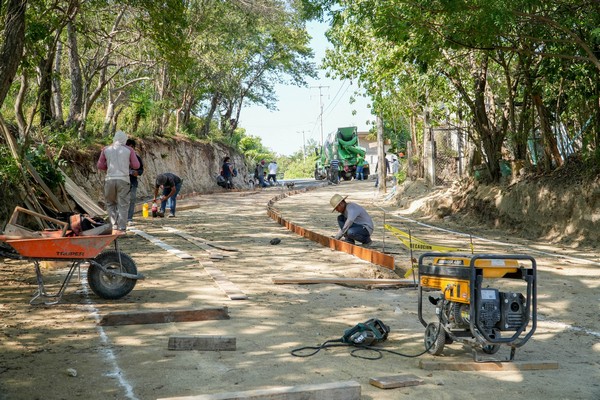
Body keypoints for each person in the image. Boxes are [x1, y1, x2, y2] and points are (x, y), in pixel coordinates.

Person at [97, 130, 140, 232]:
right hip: (123, 179)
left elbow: (100, 165)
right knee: (123, 204)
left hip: (109, 179)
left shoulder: (106, 149)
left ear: (114, 139)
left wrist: (109, 166)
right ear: (124, 139)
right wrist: (127, 163)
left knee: (110, 203)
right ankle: (122, 228)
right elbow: (136, 165)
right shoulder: (129, 150)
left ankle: (114, 226)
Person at [126, 139, 144, 226]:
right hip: (122, 181)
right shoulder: (120, 157)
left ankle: (129, 218)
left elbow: (141, 170)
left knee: (132, 199)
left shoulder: (137, 158)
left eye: (132, 147)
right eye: (128, 146)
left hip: (133, 181)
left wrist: (138, 172)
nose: (130, 148)